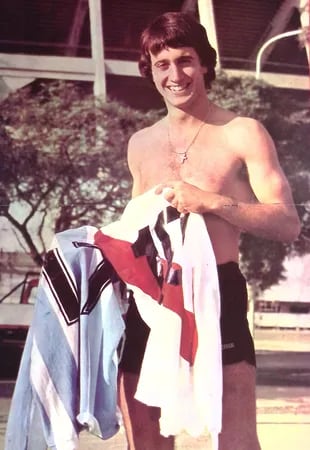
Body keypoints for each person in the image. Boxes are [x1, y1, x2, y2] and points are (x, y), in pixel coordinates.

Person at [117, 11, 301, 450]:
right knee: (144, 438)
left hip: (218, 290)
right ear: (150, 70)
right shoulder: (140, 144)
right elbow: (132, 232)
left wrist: (214, 202)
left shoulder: (242, 133)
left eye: (185, 61)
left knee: (235, 439)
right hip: (151, 296)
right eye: (162, 64)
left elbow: (287, 223)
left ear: (204, 65)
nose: (175, 74)